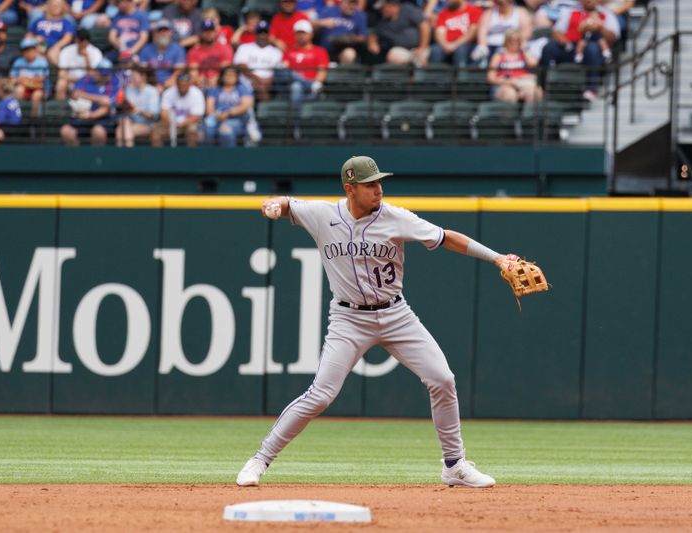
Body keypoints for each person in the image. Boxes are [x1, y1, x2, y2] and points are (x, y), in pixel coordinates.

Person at [237, 155, 511, 489]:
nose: (378, 189)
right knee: (321, 394)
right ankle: (260, 460)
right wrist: (275, 204)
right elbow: (288, 203)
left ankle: (454, 466)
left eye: (380, 182)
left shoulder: (395, 217)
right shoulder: (323, 215)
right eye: (370, 184)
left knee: (442, 379)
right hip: (348, 318)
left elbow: (445, 237)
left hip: (396, 315)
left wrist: (497, 258)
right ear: (349, 188)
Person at [539, 0, 618, 101]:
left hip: (592, 49)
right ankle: (543, 86)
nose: (589, 1)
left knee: (592, 49)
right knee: (549, 48)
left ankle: (592, 88)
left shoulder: (606, 14)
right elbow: (557, 31)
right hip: (570, 47)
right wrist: (566, 43)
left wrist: (600, 28)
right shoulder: (570, 12)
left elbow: (613, 37)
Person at [60, 57, 121, 145]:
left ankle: (97, 158)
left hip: (102, 119)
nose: (104, 77)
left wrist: (90, 116)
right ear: (95, 72)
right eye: (102, 74)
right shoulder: (86, 79)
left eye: (106, 75)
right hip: (81, 116)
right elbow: (75, 94)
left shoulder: (114, 82)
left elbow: (107, 106)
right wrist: (98, 98)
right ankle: (76, 156)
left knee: (98, 132)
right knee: (65, 131)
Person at [278, 19, 327, 106]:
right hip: (291, 86)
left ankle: (296, 118)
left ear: (311, 34)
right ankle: (308, 83)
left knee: (296, 86)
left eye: (304, 33)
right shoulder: (289, 50)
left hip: (310, 91)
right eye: (298, 33)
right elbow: (285, 68)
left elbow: (322, 71)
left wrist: (317, 82)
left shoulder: (320, 51)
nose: (301, 36)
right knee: (294, 83)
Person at [233, 19, 282, 102]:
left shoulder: (276, 52)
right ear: (255, 34)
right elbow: (241, 66)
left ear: (269, 35)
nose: (262, 36)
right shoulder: (244, 47)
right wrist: (258, 79)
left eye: (265, 33)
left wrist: (266, 82)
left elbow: (278, 71)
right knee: (259, 87)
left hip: (268, 86)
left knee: (263, 88)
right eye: (260, 33)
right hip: (246, 85)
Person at [367, 0, 429, 66]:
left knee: (422, 57)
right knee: (393, 55)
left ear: (392, 6)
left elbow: (424, 26)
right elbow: (373, 34)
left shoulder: (407, 10)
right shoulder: (381, 20)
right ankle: (413, 62)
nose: (381, 10)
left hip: (418, 48)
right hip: (401, 51)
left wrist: (422, 47)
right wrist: (372, 43)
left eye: (383, 7)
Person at [487, 29, 541, 103]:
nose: (514, 43)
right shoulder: (498, 55)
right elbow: (491, 78)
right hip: (504, 85)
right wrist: (507, 81)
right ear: (506, 41)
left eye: (517, 41)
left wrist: (524, 49)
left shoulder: (525, 54)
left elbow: (533, 64)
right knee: (510, 94)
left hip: (523, 83)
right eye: (511, 40)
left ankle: (528, 114)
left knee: (533, 93)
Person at [151, 71, 204, 146]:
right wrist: (171, 123)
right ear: (177, 84)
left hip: (187, 123)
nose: (183, 87)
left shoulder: (197, 93)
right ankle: (159, 156)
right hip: (170, 123)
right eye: (180, 84)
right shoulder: (169, 92)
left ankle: (192, 156)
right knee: (155, 132)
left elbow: (196, 116)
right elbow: (164, 112)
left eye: (185, 84)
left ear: (189, 84)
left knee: (192, 130)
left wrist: (182, 124)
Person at [203, 66, 252, 146]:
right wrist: (216, 115)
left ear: (237, 77)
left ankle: (229, 157)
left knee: (225, 129)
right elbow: (209, 108)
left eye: (232, 75)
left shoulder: (242, 89)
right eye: (227, 75)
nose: (229, 77)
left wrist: (228, 113)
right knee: (206, 130)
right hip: (216, 118)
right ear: (222, 77)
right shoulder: (215, 89)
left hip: (237, 119)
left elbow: (245, 106)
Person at [429, 0, 481, 67]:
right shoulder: (444, 13)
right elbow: (439, 32)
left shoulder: (474, 10)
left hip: (466, 44)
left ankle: (461, 76)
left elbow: (473, 31)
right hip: (446, 45)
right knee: (435, 50)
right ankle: (434, 76)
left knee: (461, 50)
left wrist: (455, 44)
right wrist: (445, 45)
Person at [138, 18, 186, 90]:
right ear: (155, 33)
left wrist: (166, 84)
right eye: (160, 31)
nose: (163, 33)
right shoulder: (146, 49)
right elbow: (143, 71)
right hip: (150, 85)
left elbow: (179, 70)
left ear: (171, 33)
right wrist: (154, 85)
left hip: (172, 85)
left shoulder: (178, 49)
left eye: (166, 30)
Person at [313, 0, 366, 64]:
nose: (351, 6)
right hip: (324, 49)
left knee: (349, 54)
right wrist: (322, 23)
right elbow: (311, 24)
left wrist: (350, 39)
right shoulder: (329, 10)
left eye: (354, 4)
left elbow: (362, 37)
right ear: (342, 2)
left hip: (343, 50)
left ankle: (343, 73)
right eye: (349, 3)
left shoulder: (360, 15)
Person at [116, 66, 158, 146]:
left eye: (134, 76)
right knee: (122, 126)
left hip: (146, 124)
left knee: (124, 130)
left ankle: (126, 156)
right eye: (131, 77)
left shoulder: (152, 91)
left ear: (143, 76)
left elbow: (153, 116)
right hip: (129, 122)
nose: (132, 79)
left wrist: (137, 110)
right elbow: (123, 107)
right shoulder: (128, 90)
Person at [56, 28, 103, 99]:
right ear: (76, 40)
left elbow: (94, 75)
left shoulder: (95, 52)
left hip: (88, 83)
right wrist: (77, 79)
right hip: (71, 82)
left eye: (85, 42)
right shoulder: (67, 51)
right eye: (80, 41)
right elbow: (61, 74)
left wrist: (87, 58)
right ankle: (60, 109)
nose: (83, 44)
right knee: (61, 84)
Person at [186, 18, 233, 88]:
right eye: (205, 31)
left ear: (215, 32)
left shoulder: (225, 48)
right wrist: (199, 79)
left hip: (220, 84)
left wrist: (216, 78)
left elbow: (225, 70)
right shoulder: (194, 51)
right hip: (201, 85)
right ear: (201, 33)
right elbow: (193, 73)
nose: (208, 33)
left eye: (211, 30)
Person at [9, 36, 49, 115]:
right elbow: (12, 77)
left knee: (36, 95)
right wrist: (20, 80)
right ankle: (18, 115)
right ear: (22, 52)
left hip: (38, 88)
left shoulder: (42, 61)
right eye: (26, 50)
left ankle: (33, 119)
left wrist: (24, 79)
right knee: (19, 90)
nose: (29, 52)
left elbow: (41, 78)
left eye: (31, 49)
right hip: (24, 87)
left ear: (35, 50)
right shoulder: (18, 62)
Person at [27, 0, 75, 65]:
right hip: (40, 46)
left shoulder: (65, 22)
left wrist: (56, 47)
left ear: (62, 7)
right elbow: (28, 35)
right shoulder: (39, 20)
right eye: (53, 5)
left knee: (52, 54)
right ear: (48, 6)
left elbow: (68, 37)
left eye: (58, 5)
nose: (55, 7)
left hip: (56, 49)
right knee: (33, 53)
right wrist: (35, 39)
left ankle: (59, 73)